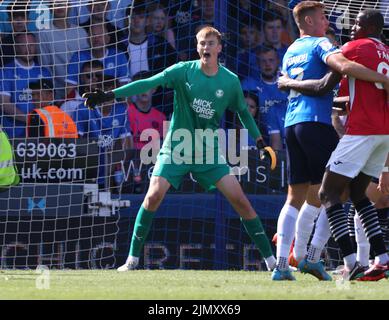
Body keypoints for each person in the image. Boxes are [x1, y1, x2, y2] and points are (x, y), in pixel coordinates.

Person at [82, 26, 277, 272]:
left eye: (211, 43)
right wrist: (108, 95)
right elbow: (147, 82)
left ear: (219, 47)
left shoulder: (229, 81)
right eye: (202, 43)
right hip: (176, 146)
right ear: (197, 47)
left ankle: (272, 263)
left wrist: (260, 143)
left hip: (208, 151)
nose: (206, 47)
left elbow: (243, 114)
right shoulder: (183, 71)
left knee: (241, 201)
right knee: (153, 196)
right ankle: (131, 260)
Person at [272, 1, 389, 281]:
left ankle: (288, 263)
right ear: (310, 22)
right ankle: (337, 258)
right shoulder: (376, 50)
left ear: (369, 27)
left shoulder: (292, 51)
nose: (349, 28)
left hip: (298, 124)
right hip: (364, 129)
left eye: (357, 24)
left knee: (313, 195)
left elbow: (327, 82)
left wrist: (286, 83)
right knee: (344, 193)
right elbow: (337, 81)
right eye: (324, 17)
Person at [76, 75, 133, 189]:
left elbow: (127, 144)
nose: (107, 96)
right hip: (88, 170)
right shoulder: (82, 110)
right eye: (104, 91)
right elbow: (76, 143)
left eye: (111, 92)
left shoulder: (121, 110)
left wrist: (115, 166)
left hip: (111, 170)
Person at [0, 33, 52, 138]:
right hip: (13, 133)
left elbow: (49, 102)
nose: (28, 49)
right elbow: (4, 103)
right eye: (24, 45)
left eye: (31, 45)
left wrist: (39, 120)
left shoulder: (44, 72)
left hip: (40, 131)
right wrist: (29, 119)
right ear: (16, 47)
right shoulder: (5, 71)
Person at [36, 0, 89, 102]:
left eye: (63, 2)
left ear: (69, 6)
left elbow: (87, 63)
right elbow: (45, 67)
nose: (59, 6)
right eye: (56, 3)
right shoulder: (43, 33)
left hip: (84, 92)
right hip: (58, 95)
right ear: (50, 8)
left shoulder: (81, 32)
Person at [241, 46, 288, 150]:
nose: (267, 64)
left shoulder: (288, 84)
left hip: (284, 134)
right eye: (263, 61)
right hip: (257, 133)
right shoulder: (249, 84)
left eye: (271, 60)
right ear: (257, 63)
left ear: (278, 61)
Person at [0, 2, 29, 67]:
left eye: (22, 17)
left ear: (28, 20)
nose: (19, 21)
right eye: (15, 17)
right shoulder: (4, 43)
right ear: (9, 20)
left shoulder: (34, 41)